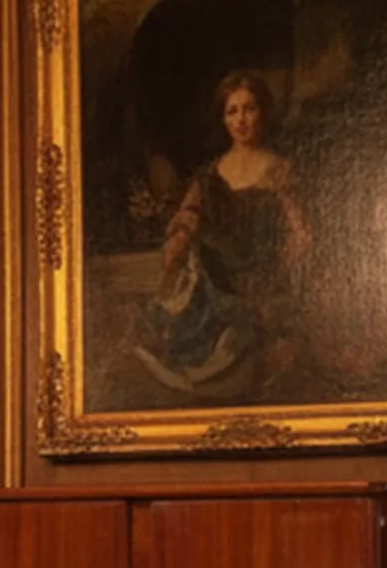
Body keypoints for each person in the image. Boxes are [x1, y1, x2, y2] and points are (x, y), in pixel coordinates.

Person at [130, 70, 310, 400]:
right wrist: (178, 238)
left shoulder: (278, 169)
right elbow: (189, 214)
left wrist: (281, 269)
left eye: (249, 109)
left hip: (260, 273)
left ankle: (214, 372)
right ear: (224, 119)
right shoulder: (212, 173)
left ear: (263, 113)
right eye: (232, 111)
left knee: (242, 338)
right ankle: (187, 369)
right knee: (193, 291)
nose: (241, 119)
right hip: (218, 274)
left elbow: (299, 233)